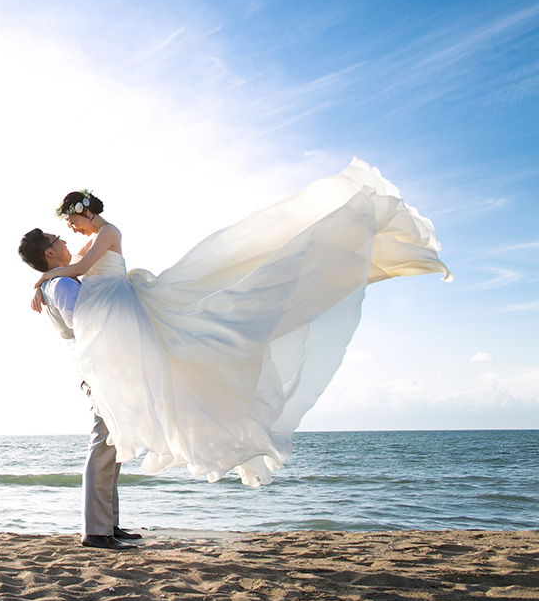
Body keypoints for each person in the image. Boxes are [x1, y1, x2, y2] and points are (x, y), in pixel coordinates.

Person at [27, 159, 451, 487]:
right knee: (143, 399)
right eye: (61, 232)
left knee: (197, 342)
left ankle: (105, 525)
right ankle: (102, 526)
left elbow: (80, 267)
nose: (68, 230)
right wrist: (46, 281)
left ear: (83, 213)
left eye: (69, 222)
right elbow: (77, 279)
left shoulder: (106, 234)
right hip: (115, 319)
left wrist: (44, 278)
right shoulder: (79, 259)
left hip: (120, 315)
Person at [18, 228, 143, 550]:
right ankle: (96, 530)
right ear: (49, 253)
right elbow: (81, 321)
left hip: (99, 364)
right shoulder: (60, 284)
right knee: (104, 441)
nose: (63, 241)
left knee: (111, 442)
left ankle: (109, 523)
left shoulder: (57, 281)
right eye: (56, 238)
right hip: (98, 366)